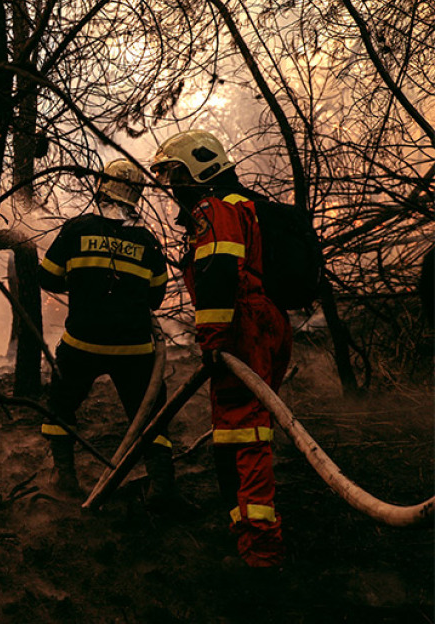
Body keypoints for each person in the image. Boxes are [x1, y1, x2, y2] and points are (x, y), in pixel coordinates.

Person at [151, 129, 290, 568]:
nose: (172, 185)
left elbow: (216, 275)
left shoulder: (214, 210)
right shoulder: (238, 206)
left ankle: (261, 547)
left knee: (245, 434)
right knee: (237, 431)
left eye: (175, 174)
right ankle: (244, 525)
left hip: (241, 330)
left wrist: (213, 343)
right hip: (260, 324)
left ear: (198, 168)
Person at [38, 159, 175, 505]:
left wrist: (83, 282)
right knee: (150, 415)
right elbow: (156, 298)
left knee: (60, 406)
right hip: (135, 349)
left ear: (101, 189)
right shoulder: (147, 241)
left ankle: (64, 476)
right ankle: (161, 486)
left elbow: (48, 277)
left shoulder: (76, 230)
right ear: (135, 199)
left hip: (82, 342)